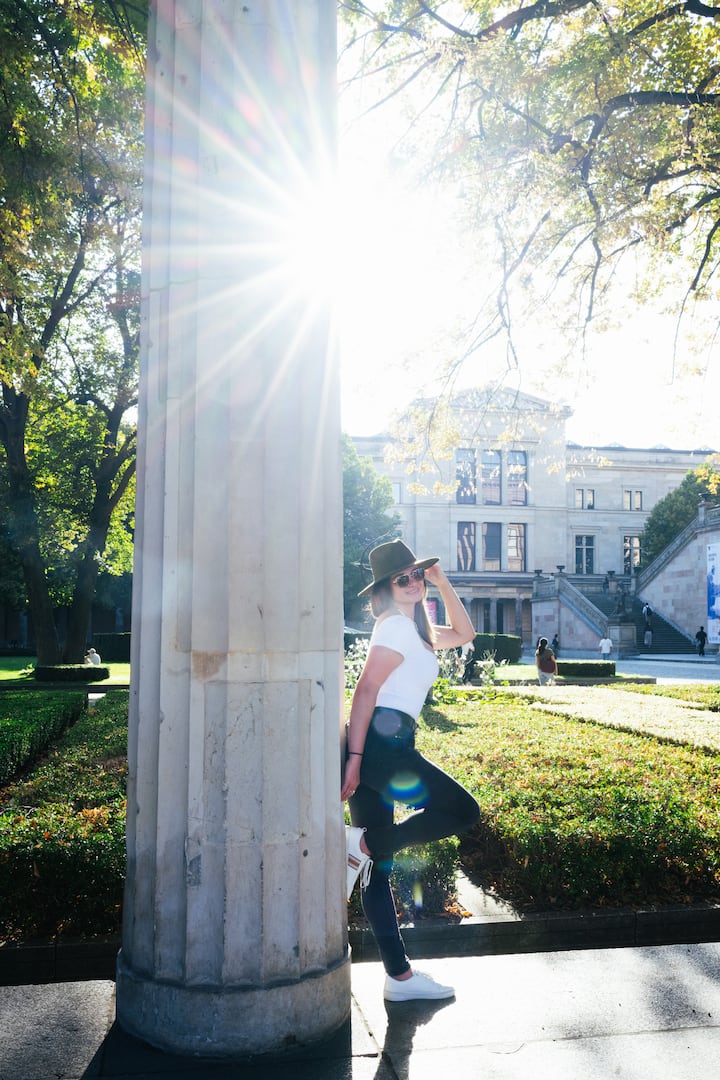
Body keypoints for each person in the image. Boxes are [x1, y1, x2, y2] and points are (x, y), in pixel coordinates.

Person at [342, 539, 480, 1002]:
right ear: (385, 588)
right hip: (382, 746)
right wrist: (356, 761)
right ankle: (365, 843)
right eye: (402, 578)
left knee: (375, 872)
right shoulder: (396, 627)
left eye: (417, 574)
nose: (413, 582)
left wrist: (442, 580)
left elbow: (465, 632)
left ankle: (398, 978)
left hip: (385, 744)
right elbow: (366, 690)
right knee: (463, 810)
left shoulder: (415, 629)